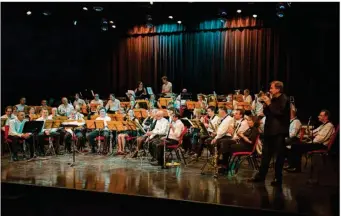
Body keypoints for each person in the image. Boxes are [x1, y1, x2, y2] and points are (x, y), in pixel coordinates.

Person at [248, 81, 290, 186]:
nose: (270, 90)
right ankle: (261, 176)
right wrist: (266, 104)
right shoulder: (273, 99)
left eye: (271, 88)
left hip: (279, 132)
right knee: (265, 155)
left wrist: (269, 103)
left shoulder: (284, 99)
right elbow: (267, 113)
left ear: (278, 89)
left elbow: (279, 112)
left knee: (279, 156)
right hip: (270, 131)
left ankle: (278, 178)